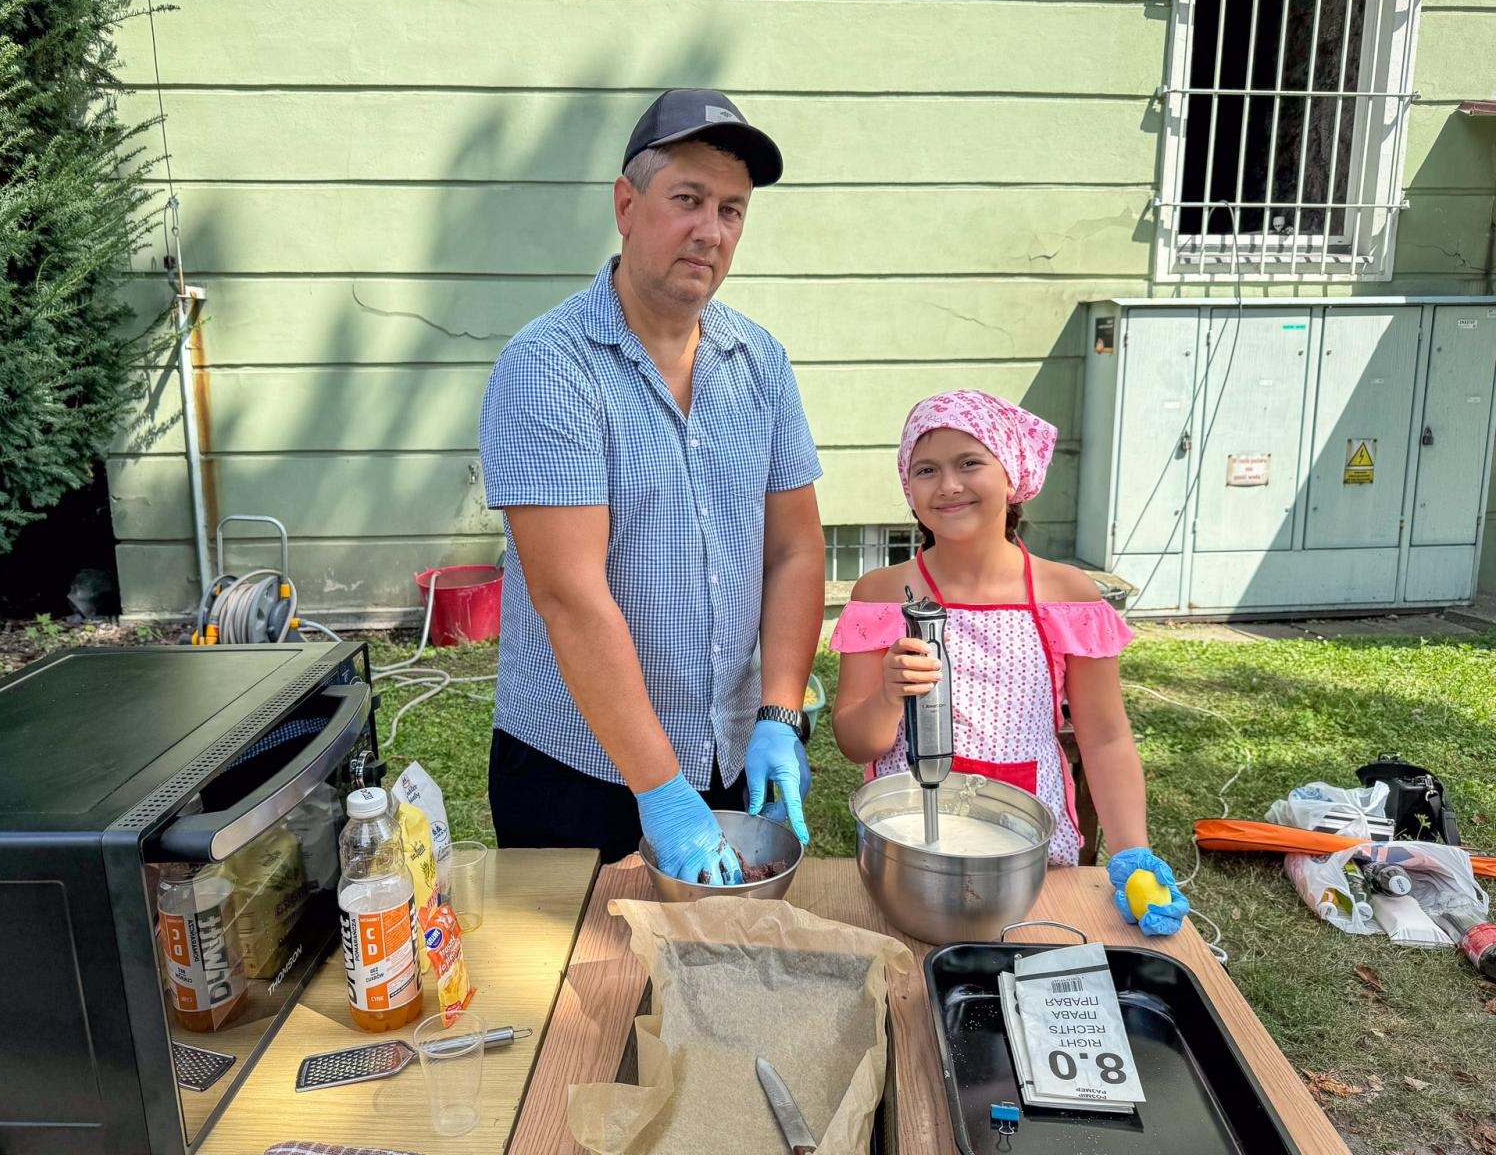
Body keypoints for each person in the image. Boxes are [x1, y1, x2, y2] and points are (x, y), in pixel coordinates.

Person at [477, 90, 825, 886]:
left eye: (732, 210)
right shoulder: (548, 368)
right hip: (576, 768)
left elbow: (796, 549)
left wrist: (779, 713)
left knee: (711, 986)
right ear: (627, 206)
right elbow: (569, 596)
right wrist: (662, 791)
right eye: (688, 200)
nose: (711, 229)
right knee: (582, 994)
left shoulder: (760, 363)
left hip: (728, 753)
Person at [828, 390, 1189, 935]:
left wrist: (1134, 855)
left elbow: (1106, 738)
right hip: (911, 852)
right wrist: (886, 696)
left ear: (1012, 472)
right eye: (925, 469)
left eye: (970, 462)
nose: (948, 484)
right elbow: (856, 743)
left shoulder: (1067, 593)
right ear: (909, 489)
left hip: (1030, 853)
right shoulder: (882, 593)